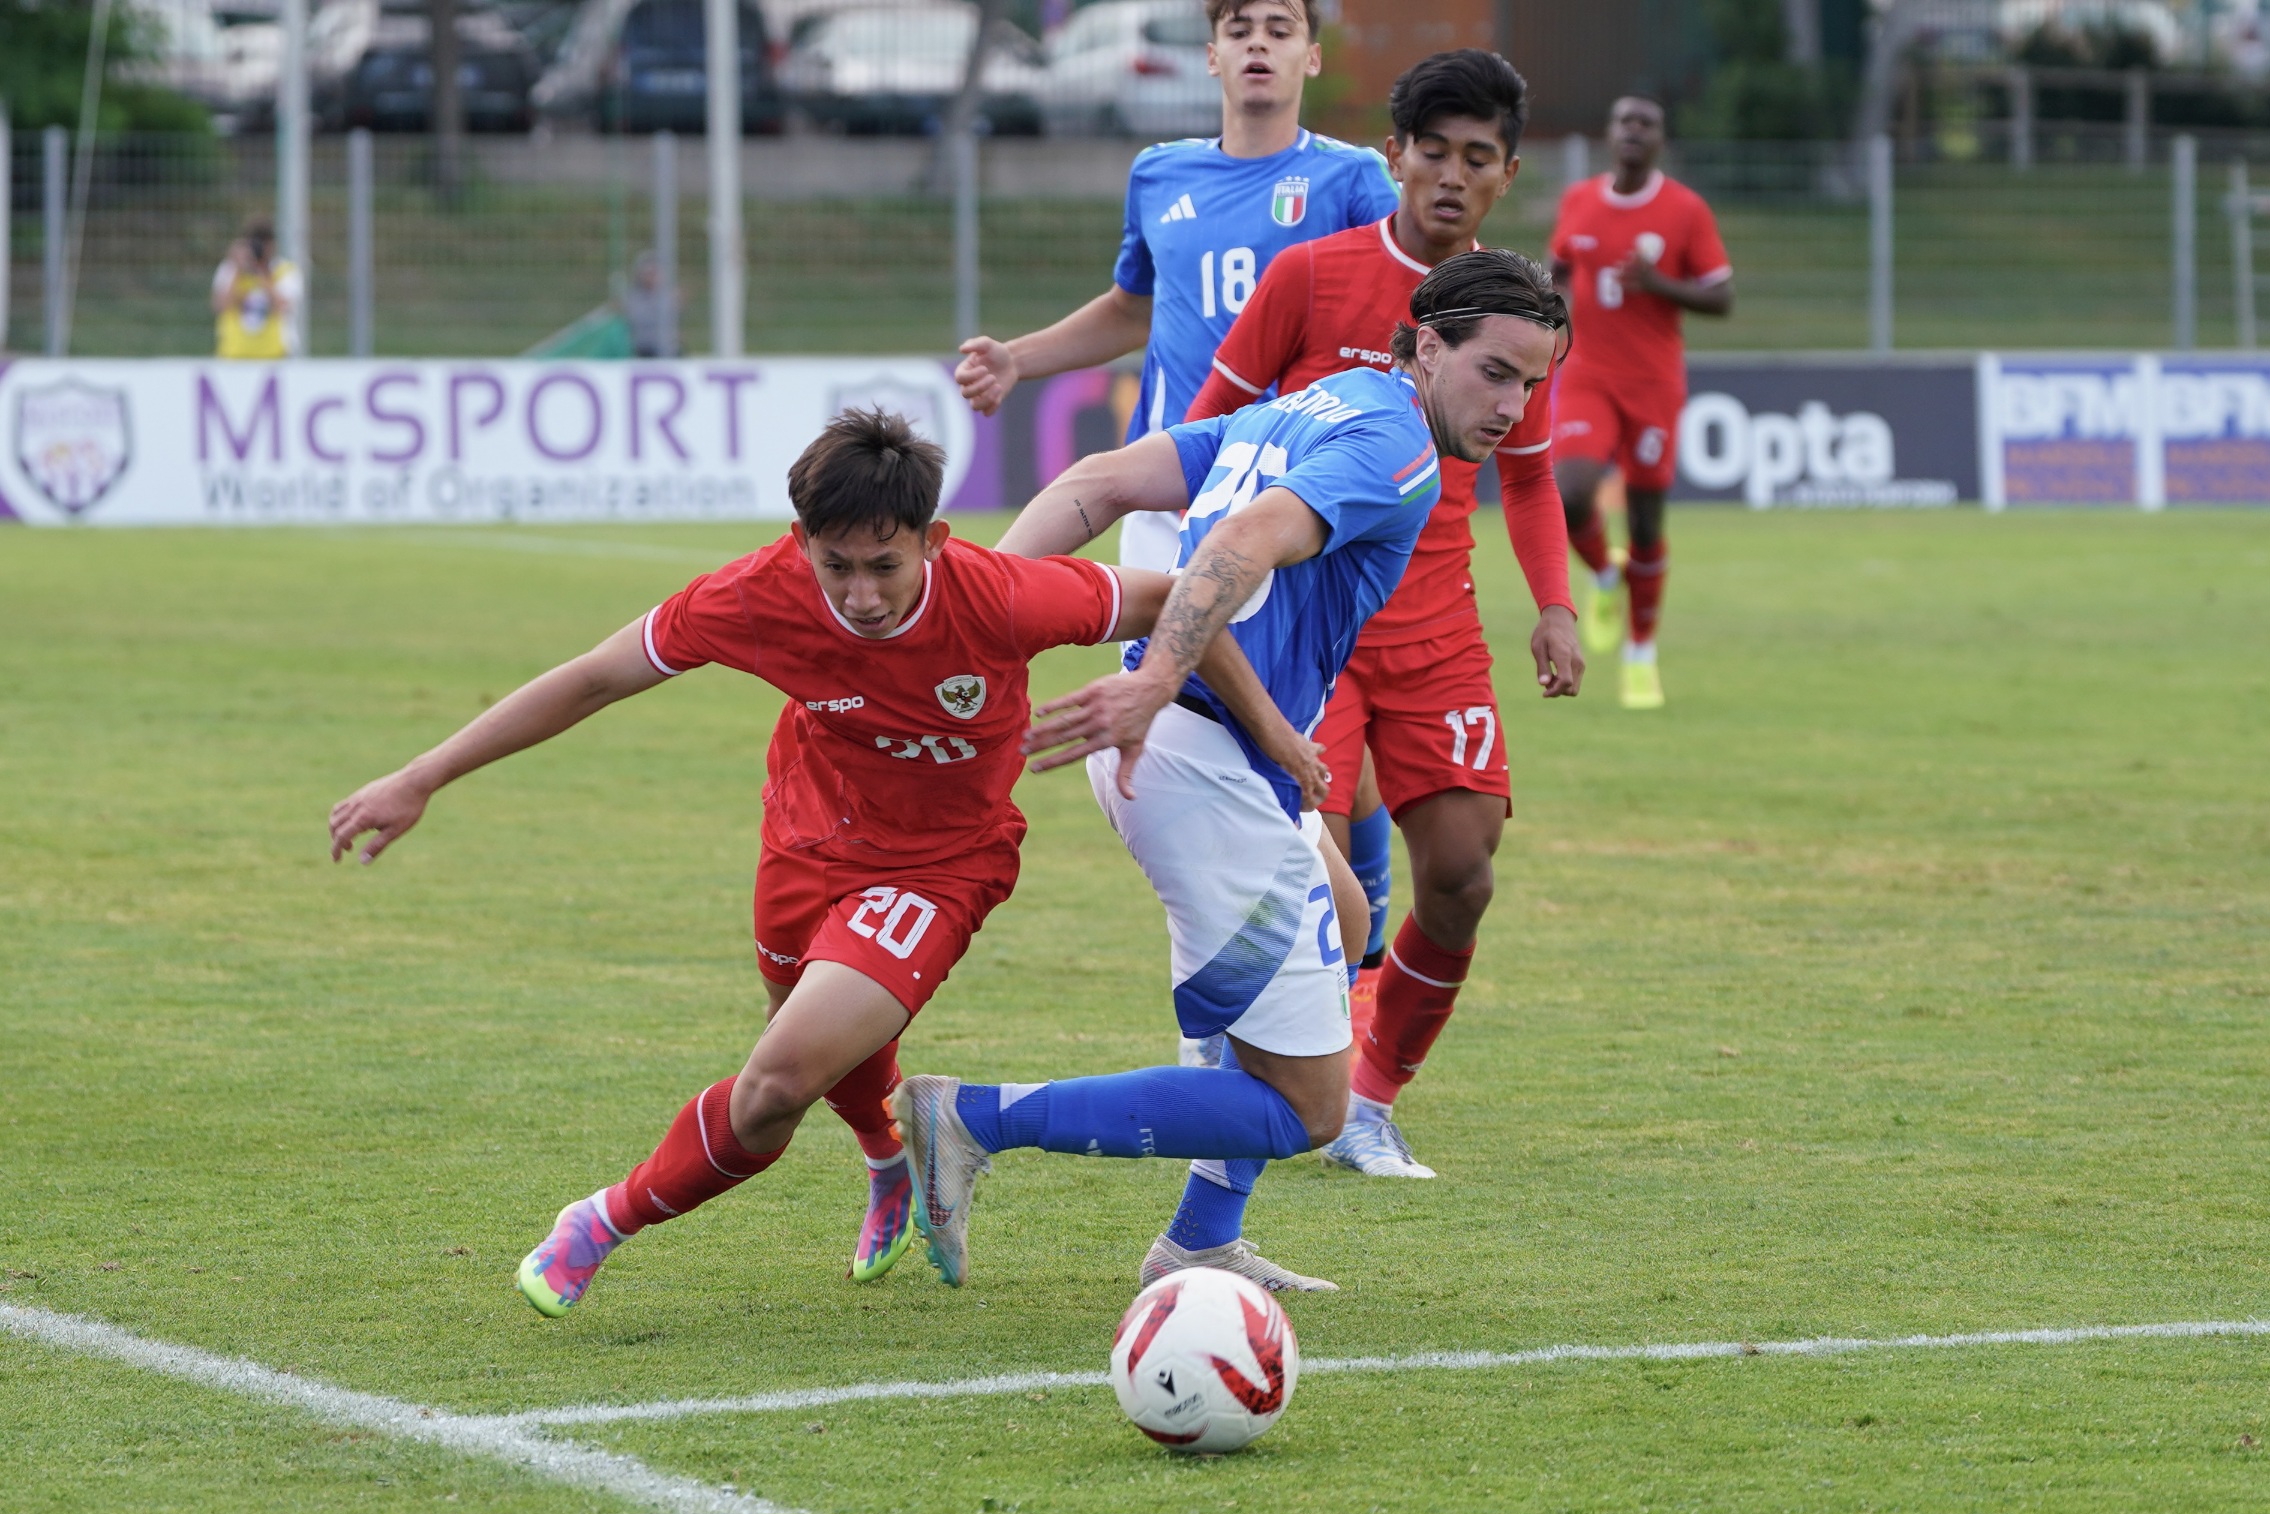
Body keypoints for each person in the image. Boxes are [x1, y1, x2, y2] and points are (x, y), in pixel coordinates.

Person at [324, 408, 1311, 1314]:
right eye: (836, 566)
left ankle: (601, 1220)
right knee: (812, 1044)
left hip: (940, 867)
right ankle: (888, 1158)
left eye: (884, 565)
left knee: (775, 1085)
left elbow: (1179, 600)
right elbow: (591, 679)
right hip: (803, 839)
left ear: (934, 540)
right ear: (800, 542)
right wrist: (421, 775)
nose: (861, 595)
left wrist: (1265, 731)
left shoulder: (1004, 596)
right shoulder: (753, 597)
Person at [892, 250, 1569, 1294]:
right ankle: (971, 1117)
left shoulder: (1313, 402)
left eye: (1531, 383)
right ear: (1428, 346)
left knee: (1347, 914)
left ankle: (1201, 1236)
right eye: (1496, 373)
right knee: (1309, 1108)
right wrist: (1154, 680)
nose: (1514, 408)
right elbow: (1243, 541)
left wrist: (974, 621)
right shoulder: (1395, 449)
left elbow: (1094, 482)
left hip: (1204, 745)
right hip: (1189, 757)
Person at [1184, 50, 1582, 1180]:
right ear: (1393, 156)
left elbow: (1530, 476)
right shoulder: (1311, 276)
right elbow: (1212, 433)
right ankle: (1238, 1076)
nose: (1452, 177)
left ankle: (1368, 1099)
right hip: (1316, 627)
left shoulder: (1520, 318)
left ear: (1506, 173)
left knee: (1461, 874)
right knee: (1302, 875)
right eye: (1433, 152)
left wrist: (1554, 606)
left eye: (1478, 158)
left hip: (1436, 631)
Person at [952, 0, 1397, 574]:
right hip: (1167, 481)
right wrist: (1016, 358)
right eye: (1239, 30)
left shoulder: (1354, 176)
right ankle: (976, 597)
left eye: (1279, 30)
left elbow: (1407, 299)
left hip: (1291, 481)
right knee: (1149, 637)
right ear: (1213, 56)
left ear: (1312, 58)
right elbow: (1131, 311)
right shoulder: (1160, 173)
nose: (1257, 43)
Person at [1548, 95, 1733, 710]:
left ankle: (1640, 652)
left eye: (1646, 123)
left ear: (1660, 140)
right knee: (1570, 494)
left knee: (1648, 522)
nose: (1633, 130)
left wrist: (1658, 284)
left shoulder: (1685, 210)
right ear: (1610, 133)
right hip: (1588, 374)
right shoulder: (1579, 199)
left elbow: (1722, 297)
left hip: (1653, 384)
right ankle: (1605, 574)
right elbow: (1561, 266)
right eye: (1624, 120)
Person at [211, 217, 302, 360]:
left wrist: (261, 273)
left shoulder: (284, 271)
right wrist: (238, 269)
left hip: (275, 356)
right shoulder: (230, 269)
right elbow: (221, 306)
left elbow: (283, 306)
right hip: (234, 355)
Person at [622, 250, 680, 359]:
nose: (652, 277)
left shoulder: (666, 295)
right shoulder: (634, 297)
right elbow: (637, 319)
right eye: (649, 274)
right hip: (644, 348)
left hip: (667, 347)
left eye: (655, 273)